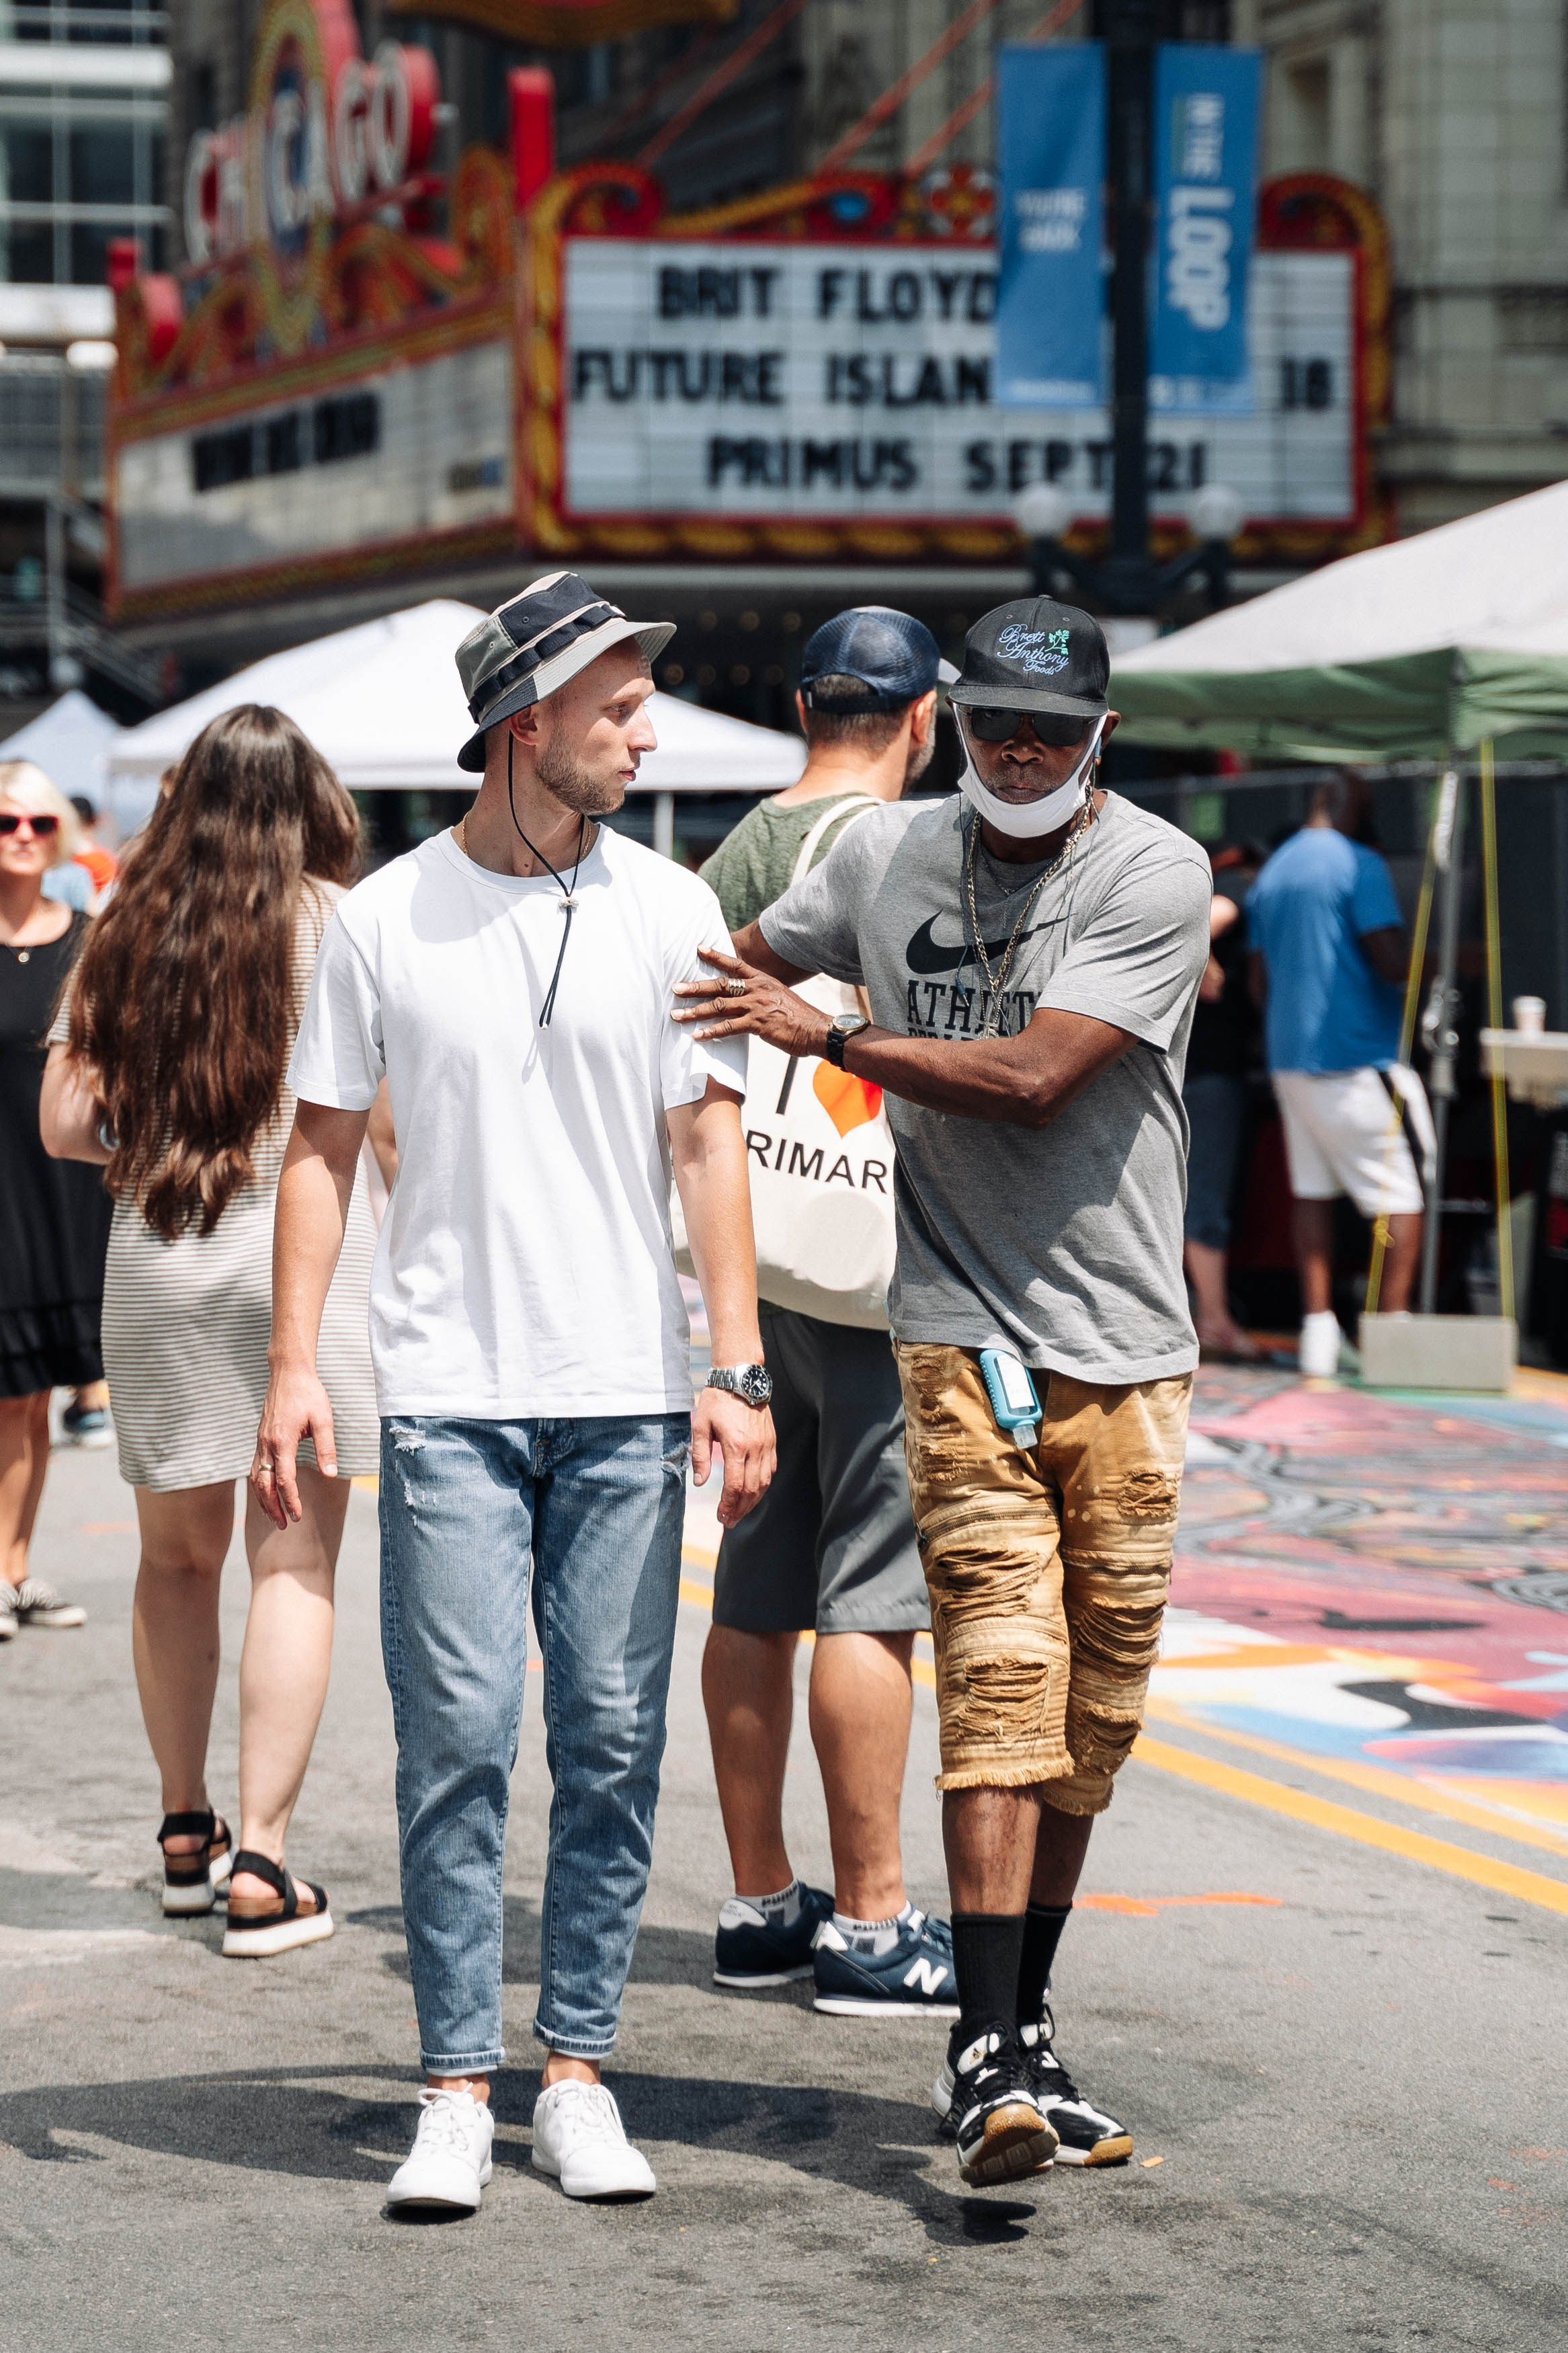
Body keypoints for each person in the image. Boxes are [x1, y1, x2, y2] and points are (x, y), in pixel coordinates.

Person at [255, 571, 774, 2215]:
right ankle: (454, 2089)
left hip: (626, 1388)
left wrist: (735, 1364)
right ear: (522, 725)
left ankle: (579, 2073)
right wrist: (291, 1365)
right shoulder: (385, 917)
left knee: (612, 1741)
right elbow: (323, 1151)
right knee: (460, 1741)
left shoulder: (674, 907)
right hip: (449, 1393)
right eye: (616, 709)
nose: (643, 732)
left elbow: (710, 1146)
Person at [675, 596, 1211, 2185]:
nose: (1019, 754)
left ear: (1101, 738)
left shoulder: (1155, 872)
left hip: (1122, 1346)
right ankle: (980, 2051)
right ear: (951, 723)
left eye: (1050, 734)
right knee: (996, 1660)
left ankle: (1024, 2026)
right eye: (992, 727)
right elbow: (720, 974)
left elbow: (1041, 1077)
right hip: (952, 1319)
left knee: (1094, 1713)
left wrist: (836, 1033)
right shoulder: (882, 853)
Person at [40, 705, 381, 1952]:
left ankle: (183, 1838)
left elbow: (62, 1126)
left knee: (173, 1563)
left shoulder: (125, 927)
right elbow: (380, 1128)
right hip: (307, 1271)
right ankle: (264, 1865)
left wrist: (165, 1138)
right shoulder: (340, 925)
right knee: (291, 1563)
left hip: (160, 1263)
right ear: (310, 802)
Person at [697, 606, 958, 2018]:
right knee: (873, 1592)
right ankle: (869, 1923)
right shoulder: (913, 848)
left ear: (806, 708)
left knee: (755, 1576)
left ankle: (756, 1902)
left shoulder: (738, 848)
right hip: (877, 1264)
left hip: (757, 1254)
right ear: (920, 720)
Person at [1245, 773, 1429, 1377]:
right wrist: (1448, 959)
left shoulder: (1274, 872)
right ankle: (1392, 1335)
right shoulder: (1359, 862)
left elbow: (1258, 981)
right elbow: (1389, 960)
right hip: (1355, 1056)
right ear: (1348, 805)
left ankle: (1319, 1331)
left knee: (1313, 1192)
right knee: (1401, 1191)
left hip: (1289, 1058)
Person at [0, 763, 106, 1640]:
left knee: (32, 1397)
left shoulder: (89, 942)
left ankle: (15, 1569)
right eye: (7, 821)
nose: (24, 836)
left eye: (39, 822)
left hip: (57, 1194)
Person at [1182, 842, 1265, 1361]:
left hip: (1187, 1065)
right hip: (1210, 1071)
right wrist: (1201, 960)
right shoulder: (1235, 889)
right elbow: (1204, 921)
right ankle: (1214, 1318)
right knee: (1205, 1194)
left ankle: (1203, 1315)